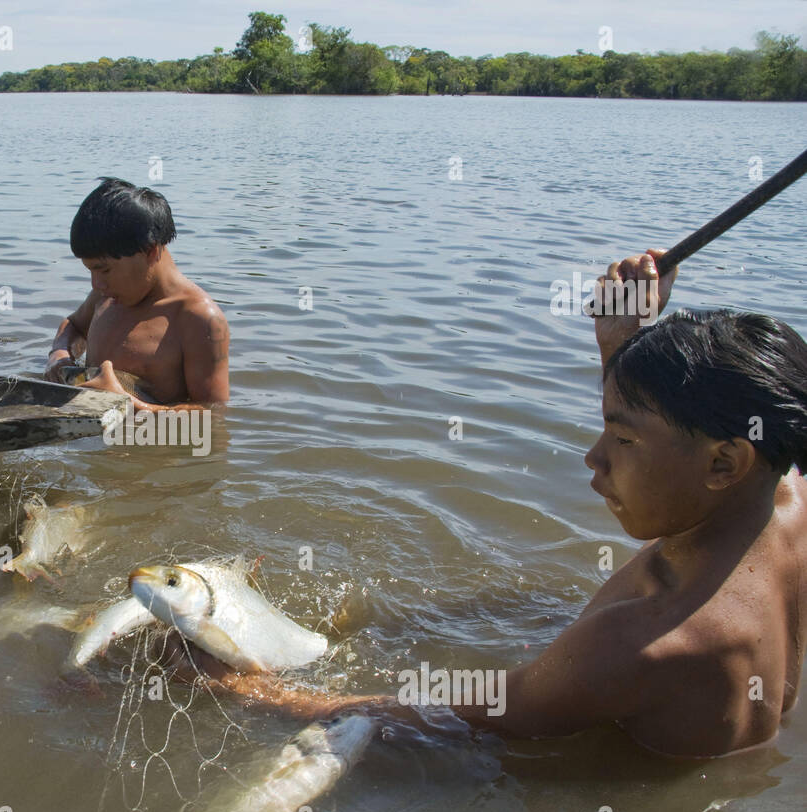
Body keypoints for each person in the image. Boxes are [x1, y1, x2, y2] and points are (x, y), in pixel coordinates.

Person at [206, 250, 807, 758]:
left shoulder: (641, 644)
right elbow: (680, 438)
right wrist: (624, 343)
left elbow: (464, 714)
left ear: (725, 464)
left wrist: (248, 692)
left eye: (621, 441)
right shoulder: (785, 501)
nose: (592, 458)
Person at [44, 178, 229, 412]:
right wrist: (59, 354)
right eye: (90, 270)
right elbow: (74, 325)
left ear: (150, 252)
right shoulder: (106, 294)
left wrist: (130, 405)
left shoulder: (199, 319)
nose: (96, 283)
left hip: (145, 440)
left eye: (104, 270)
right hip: (92, 436)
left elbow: (213, 416)